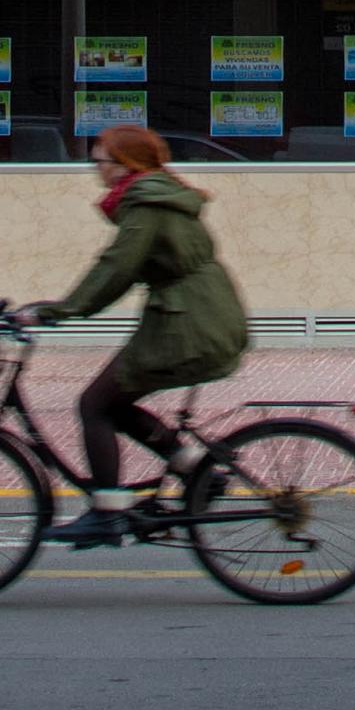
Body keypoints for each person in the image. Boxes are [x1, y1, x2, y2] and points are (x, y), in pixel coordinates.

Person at [32, 121, 248, 543]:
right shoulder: (155, 193)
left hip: (188, 321)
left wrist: (60, 310)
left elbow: (117, 267)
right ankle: (198, 469)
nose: (95, 170)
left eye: (100, 161)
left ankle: (107, 512)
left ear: (123, 164)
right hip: (195, 313)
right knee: (115, 400)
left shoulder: (145, 202)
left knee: (94, 404)